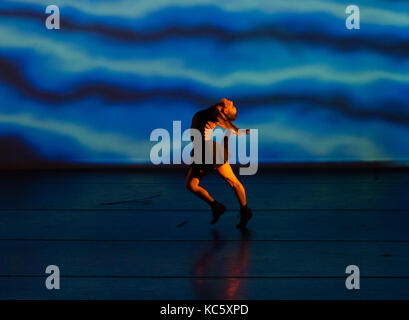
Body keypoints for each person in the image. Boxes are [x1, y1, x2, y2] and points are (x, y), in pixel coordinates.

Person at [185, 98, 253, 229]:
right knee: (191, 185)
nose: (231, 102)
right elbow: (224, 123)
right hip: (200, 152)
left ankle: (245, 210)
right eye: (233, 105)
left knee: (233, 182)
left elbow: (224, 122)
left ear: (224, 111)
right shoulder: (213, 112)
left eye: (232, 106)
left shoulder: (216, 113)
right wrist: (232, 131)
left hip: (210, 152)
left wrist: (237, 130)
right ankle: (216, 206)